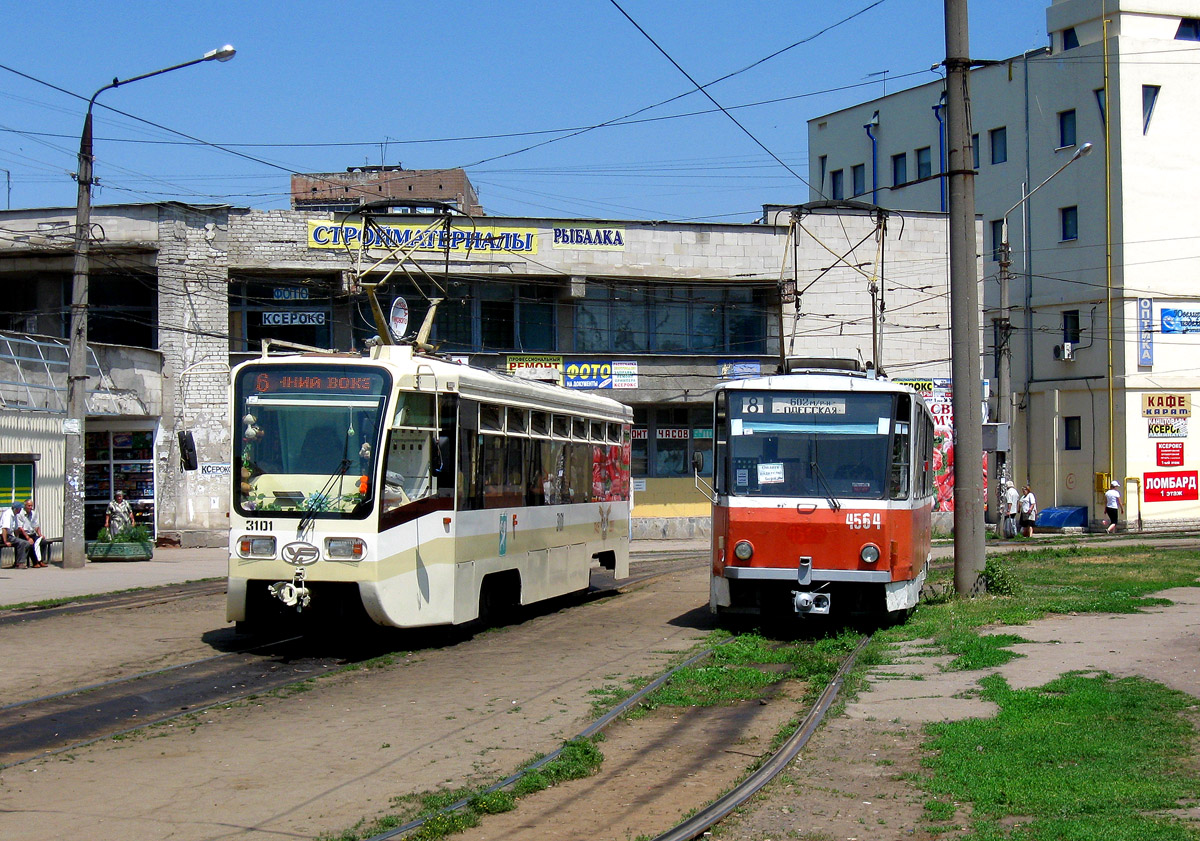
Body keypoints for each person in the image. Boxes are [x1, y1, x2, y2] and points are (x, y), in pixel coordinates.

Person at [1, 502, 32, 569]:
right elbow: (4, 529)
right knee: (23, 543)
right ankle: (20, 563)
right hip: (3, 536)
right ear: (16, 509)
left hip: (10, 535)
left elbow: (16, 530)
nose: (21, 510)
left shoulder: (15, 515)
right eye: (20, 508)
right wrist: (5, 541)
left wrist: (19, 536)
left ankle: (18, 562)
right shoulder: (8, 514)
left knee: (25, 543)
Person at [18, 499, 46, 567]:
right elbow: (20, 528)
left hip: (32, 533)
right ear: (25, 506)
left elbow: (36, 526)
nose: (30, 507)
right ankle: (35, 562)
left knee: (43, 542)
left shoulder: (33, 513)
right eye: (29, 506)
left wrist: (40, 535)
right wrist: (28, 538)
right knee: (30, 543)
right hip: (24, 534)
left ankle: (41, 560)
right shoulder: (20, 514)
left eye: (31, 506)